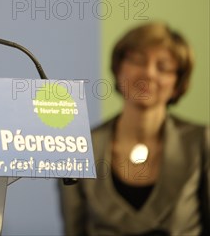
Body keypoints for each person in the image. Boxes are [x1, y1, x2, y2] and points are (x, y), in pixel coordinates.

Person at [60, 22, 209, 235]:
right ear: (118, 69)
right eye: (138, 60)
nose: (148, 73)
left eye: (163, 67)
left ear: (178, 84)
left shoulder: (201, 142)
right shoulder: (79, 147)